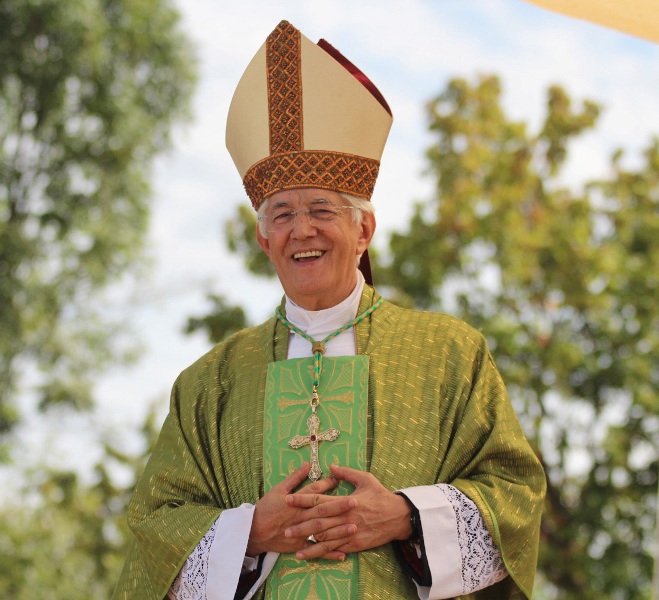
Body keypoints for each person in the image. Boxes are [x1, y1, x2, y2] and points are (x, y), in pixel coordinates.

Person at [112, 20, 546, 600]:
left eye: (321, 208)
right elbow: (153, 532)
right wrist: (250, 534)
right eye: (282, 214)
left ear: (363, 228)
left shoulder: (449, 354)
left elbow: (515, 495)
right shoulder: (209, 382)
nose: (302, 230)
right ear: (264, 241)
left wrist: (405, 517)